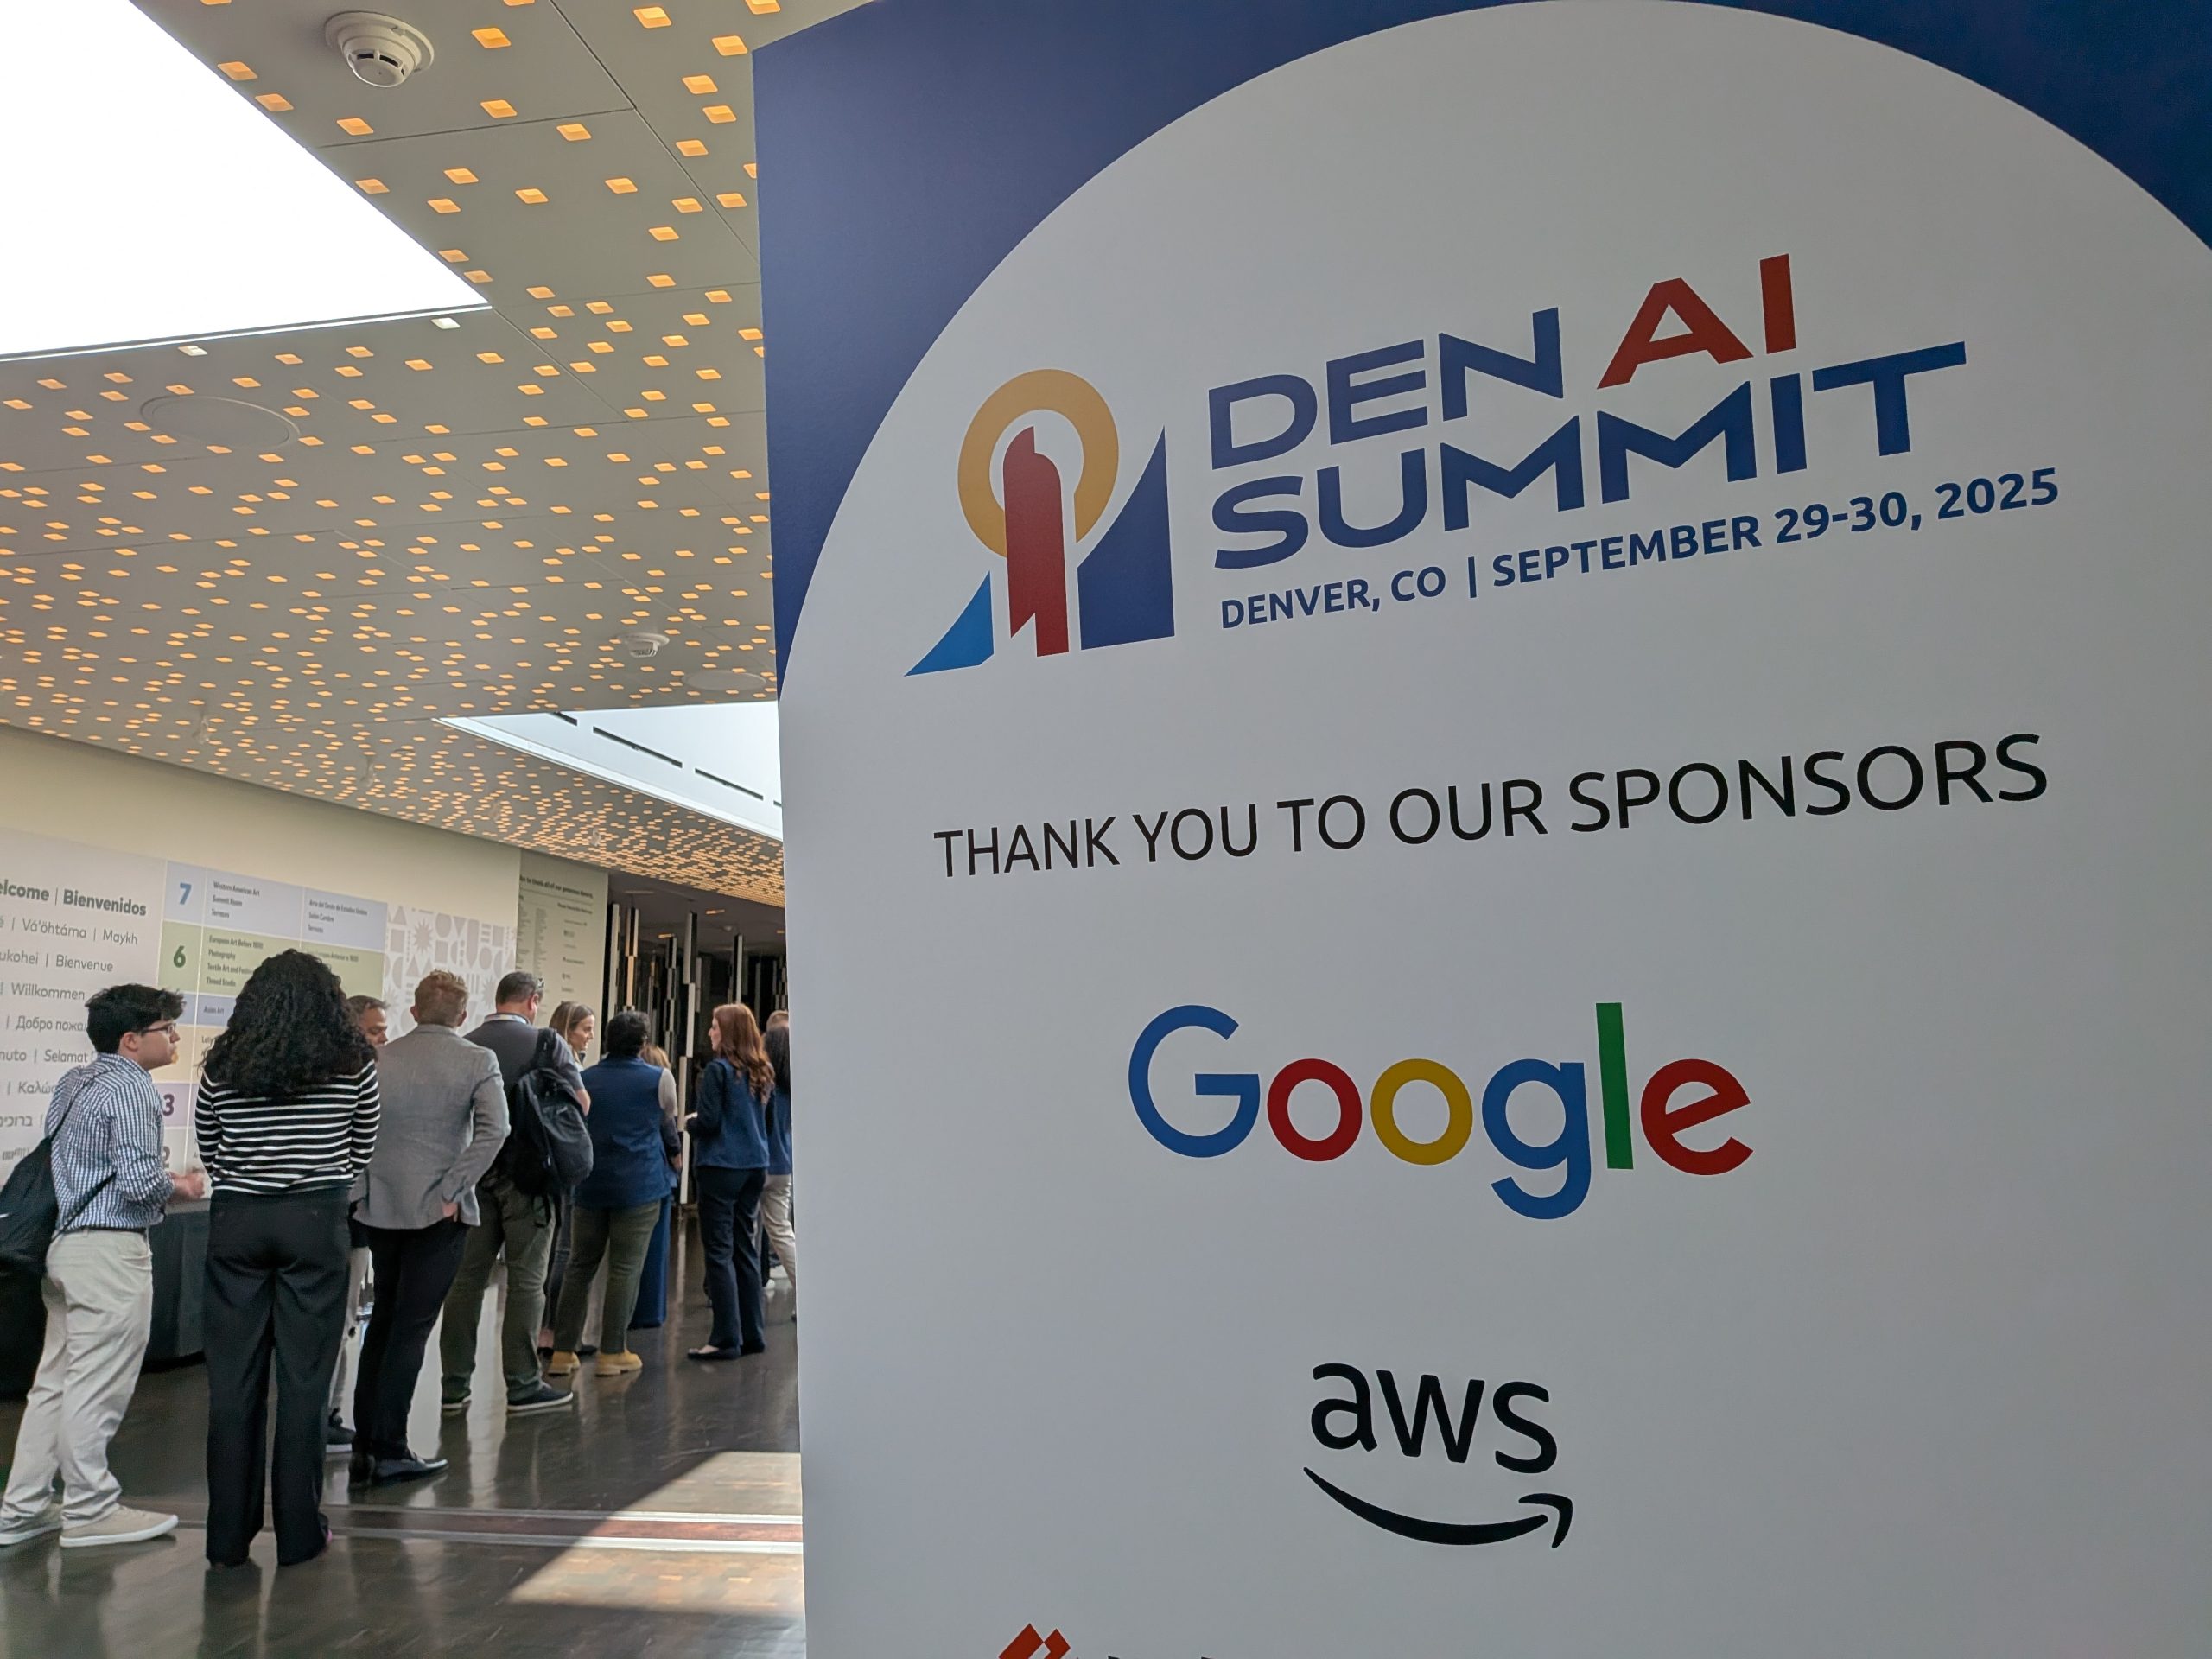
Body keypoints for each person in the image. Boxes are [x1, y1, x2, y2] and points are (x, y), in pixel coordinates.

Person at [0, 985, 207, 1552]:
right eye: (167, 1028)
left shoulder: (74, 1082)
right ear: (131, 1040)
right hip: (111, 1254)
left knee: (54, 1384)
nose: (175, 1038)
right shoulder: (133, 1087)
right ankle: (90, 1507)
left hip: (64, 1248)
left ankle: (23, 1507)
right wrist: (184, 1187)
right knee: (98, 1386)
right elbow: (139, 1184)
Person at [196, 952, 379, 1567]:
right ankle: (300, 1532)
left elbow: (211, 1146)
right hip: (316, 1219)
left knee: (232, 1384)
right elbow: (362, 1147)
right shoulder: (354, 1065)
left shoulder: (223, 1066)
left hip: (238, 1220)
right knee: (305, 1382)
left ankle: (227, 1538)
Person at [351, 972, 507, 1485]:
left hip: (380, 1207)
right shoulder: (477, 1060)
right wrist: (455, 1187)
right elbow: (496, 1129)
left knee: (384, 1322)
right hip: (438, 1212)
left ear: (414, 1011)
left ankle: (366, 1444)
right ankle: (390, 1448)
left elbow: (357, 1129)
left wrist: (364, 1189)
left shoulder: (379, 1059)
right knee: (412, 1329)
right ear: (462, 1016)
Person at [438, 972, 583, 1418]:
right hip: (530, 1179)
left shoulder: (466, 1044)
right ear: (532, 1001)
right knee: (526, 1281)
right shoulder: (547, 1043)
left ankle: (454, 1386)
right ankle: (522, 1384)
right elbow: (581, 1103)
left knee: (466, 1282)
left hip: (475, 1178)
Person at [548, 1012, 679, 1376]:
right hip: (639, 1184)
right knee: (625, 1267)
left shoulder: (584, 1078)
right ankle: (612, 1351)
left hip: (590, 1183)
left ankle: (563, 1351)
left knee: (579, 1265)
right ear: (643, 1043)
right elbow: (668, 1115)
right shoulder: (659, 1078)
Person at [687, 1004, 774, 1361]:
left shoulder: (718, 1071)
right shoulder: (762, 1071)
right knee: (745, 1248)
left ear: (728, 1032)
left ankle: (725, 1337)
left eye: (714, 1027)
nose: (710, 1033)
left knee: (718, 1251)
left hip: (721, 1165)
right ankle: (752, 1333)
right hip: (755, 1164)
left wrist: (689, 1123)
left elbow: (708, 1122)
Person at [327, 995, 387, 1453]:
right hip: (346, 1218)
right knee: (340, 1318)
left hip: (346, 1218)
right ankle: (324, 1418)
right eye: (374, 1030)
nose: (384, 1039)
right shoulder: (355, 1080)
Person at [759, 1014, 796, 1305]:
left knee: (748, 1232)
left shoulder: (763, 1083)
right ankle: (806, 1293)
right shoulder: (794, 1085)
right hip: (784, 1163)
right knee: (782, 1232)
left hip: (759, 1162)